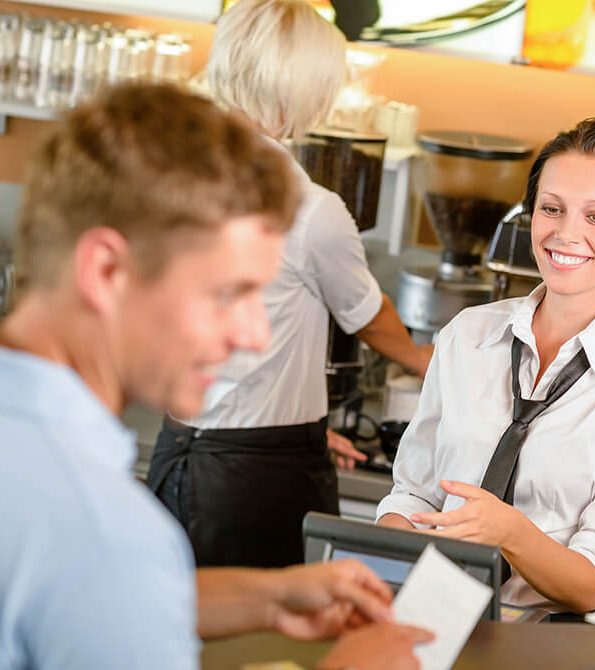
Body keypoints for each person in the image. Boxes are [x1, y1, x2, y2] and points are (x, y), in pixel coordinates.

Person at [0, 83, 434, 670]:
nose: (254, 331)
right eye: (226, 293)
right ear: (106, 271)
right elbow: (95, 568)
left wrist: (267, 596)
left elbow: (71, 600)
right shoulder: (103, 530)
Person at [146, 0, 432, 569]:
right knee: (270, 647)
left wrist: (293, 424)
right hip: (253, 483)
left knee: (180, 631)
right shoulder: (310, 208)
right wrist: (436, 365)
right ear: (305, 89)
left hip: (180, 453)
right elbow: (369, 318)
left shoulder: (171, 176)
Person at [377, 117, 595, 613]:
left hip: (537, 655)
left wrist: (510, 532)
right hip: (422, 620)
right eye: (551, 209)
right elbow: (413, 495)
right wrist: (391, 576)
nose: (565, 234)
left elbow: (593, 582)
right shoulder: (467, 335)